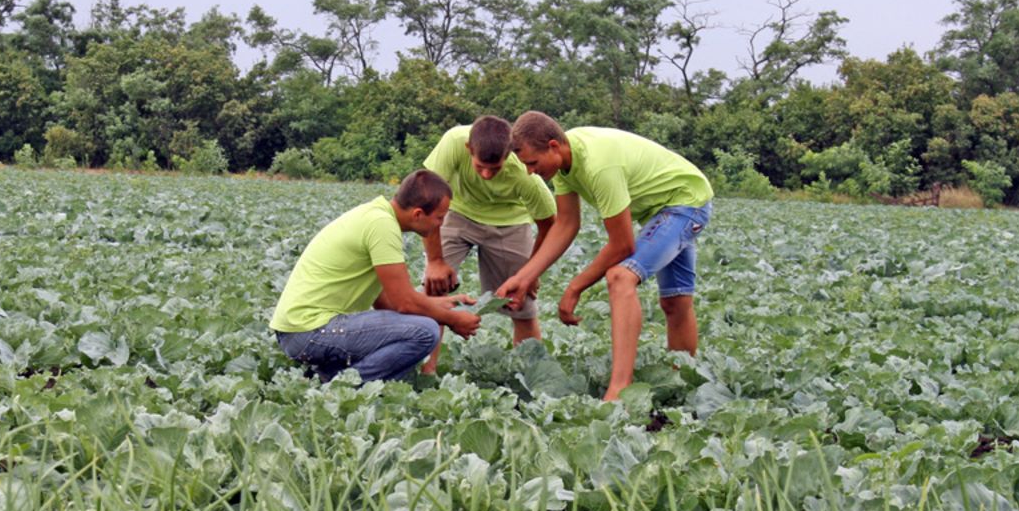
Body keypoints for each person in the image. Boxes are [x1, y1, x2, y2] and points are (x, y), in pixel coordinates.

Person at [495, 111, 714, 401]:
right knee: (675, 301)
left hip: (686, 202)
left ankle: (618, 390)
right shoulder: (565, 166)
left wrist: (575, 288)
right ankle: (681, 383)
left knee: (620, 277)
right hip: (659, 210)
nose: (530, 172)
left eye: (532, 163)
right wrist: (523, 277)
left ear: (553, 146)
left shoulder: (599, 166)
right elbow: (565, 224)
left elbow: (623, 245)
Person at [271, 168, 481, 381]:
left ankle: (327, 375)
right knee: (426, 332)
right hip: (309, 331)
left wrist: (444, 304)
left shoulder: (376, 215)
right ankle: (344, 385)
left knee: (418, 325)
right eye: (439, 218)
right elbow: (404, 303)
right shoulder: (382, 225)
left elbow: (387, 304)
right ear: (418, 214)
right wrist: (453, 319)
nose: (441, 225)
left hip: (299, 332)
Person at [417, 115, 557, 375]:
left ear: (509, 155)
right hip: (456, 213)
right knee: (432, 291)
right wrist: (436, 261)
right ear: (469, 149)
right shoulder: (453, 142)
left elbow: (549, 222)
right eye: (480, 166)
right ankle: (426, 371)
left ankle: (531, 377)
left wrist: (531, 271)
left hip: (508, 222)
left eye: (495, 168)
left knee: (521, 303)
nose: (486, 174)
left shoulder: (523, 173)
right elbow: (428, 202)